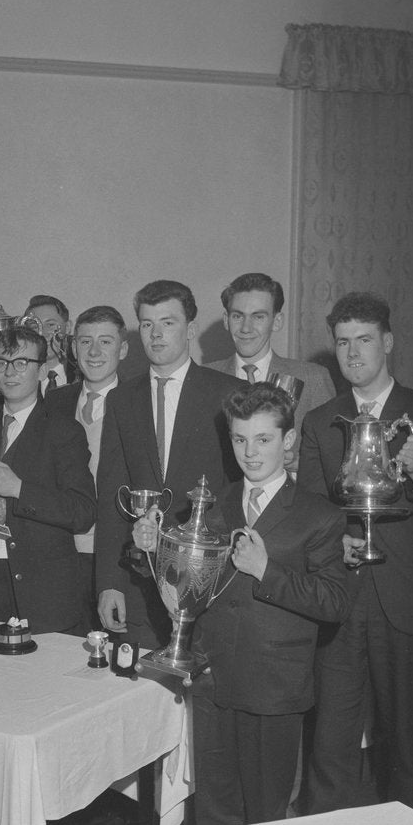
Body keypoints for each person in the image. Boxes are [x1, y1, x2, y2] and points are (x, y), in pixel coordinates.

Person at [133, 383, 351, 825]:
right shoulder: (212, 506)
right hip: (213, 680)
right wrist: (149, 550)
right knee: (214, 814)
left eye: (264, 439)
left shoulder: (320, 514)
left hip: (275, 691)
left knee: (268, 819)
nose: (250, 453)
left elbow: (335, 602)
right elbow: (180, 581)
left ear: (288, 440)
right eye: (239, 439)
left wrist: (266, 570)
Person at [299, 292, 413, 814]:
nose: (352, 353)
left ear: (388, 342)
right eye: (342, 343)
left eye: (364, 340)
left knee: (407, 751)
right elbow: (309, 509)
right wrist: (337, 543)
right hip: (341, 601)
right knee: (329, 748)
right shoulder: (321, 421)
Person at [95, 279, 243, 648]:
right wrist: (109, 583)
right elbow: (112, 492)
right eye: (147, 324)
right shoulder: (121, 400)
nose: (156, 334)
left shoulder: (227, 394)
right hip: (138, 577)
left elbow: (238, 489)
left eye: (168, 322)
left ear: (190, 330)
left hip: (208, 579)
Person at [0, 327, 96, 633]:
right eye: (2, 363)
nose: (10, 372)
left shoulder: (65, 431)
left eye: (21, 363)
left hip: (44, 598)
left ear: (42, 369)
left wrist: (19, 488)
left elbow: (83, 512)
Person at [45, 305, 129, 629]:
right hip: (62, 554)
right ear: (72, 347)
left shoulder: (139, 405)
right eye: (84, 342)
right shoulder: (54, 402)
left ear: (123, 348)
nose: (94, 352)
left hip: (113, 560)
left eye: (105, 342)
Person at [205, 272, 335, 470]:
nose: (246, 328)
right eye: (238, 316)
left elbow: (332, 459)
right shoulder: (205, 378)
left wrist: (300, 466)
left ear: (277, 321)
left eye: (258, 317)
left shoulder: (312, 378)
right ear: (226, 320)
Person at [26, 293, 78, 392]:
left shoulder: (83, 374)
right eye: (35, 327)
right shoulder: (19, 378)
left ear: (67, 327)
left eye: (50, 325)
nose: (43, 334)